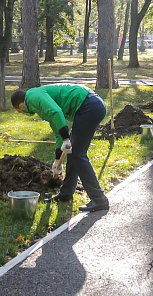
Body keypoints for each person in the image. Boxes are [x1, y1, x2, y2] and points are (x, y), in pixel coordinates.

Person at [11, 84, 109, 213]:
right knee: (73, 153)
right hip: (88, 106)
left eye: (19, 111)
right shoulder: (38, 106)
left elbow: (56, 112)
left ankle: (99, 199)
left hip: (89, 105)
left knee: (78, 154)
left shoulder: (33, 96)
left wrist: (66, 138)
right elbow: (58, 131)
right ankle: (66, 194)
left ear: (21, 106)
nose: (22, 113)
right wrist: (58, 160)